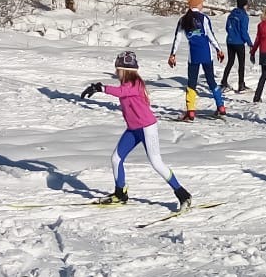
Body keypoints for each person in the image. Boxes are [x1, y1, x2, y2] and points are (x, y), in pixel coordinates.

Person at [81, 51, 192, 209]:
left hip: (147, 128)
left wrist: (101, 88)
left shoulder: (135, 84)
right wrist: (100, 88)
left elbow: (122, 92)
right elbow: (122, 91)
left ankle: (183, 195)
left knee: (156, 162)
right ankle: (120, 194)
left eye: (117, 70)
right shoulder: (127, 83)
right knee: (116, 159)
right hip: (133, 129)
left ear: (124, 70)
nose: (115, 73)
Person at [168, 0, 226, 120]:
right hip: (206, 54)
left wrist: (173, 54)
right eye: (201, 3)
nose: (202, 4)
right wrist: (219, 50)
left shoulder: (183, 19)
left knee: (192, 83)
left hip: (193, 55)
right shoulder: (204, 18)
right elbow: (211, 36)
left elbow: (177, 38)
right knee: (211, 81)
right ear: (197, 4)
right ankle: (221, 106)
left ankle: (191, 111)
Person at [220, 0, 254, 92]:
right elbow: (244, 32)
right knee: (241, 64)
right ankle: (241, 85)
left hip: (230, 41)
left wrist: (232, 34)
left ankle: (224, 81)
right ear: (244, 5)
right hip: (239, 43)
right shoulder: (244, 16)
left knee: (230, 62)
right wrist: (250, 43)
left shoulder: (231, 14)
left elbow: (227, 27)